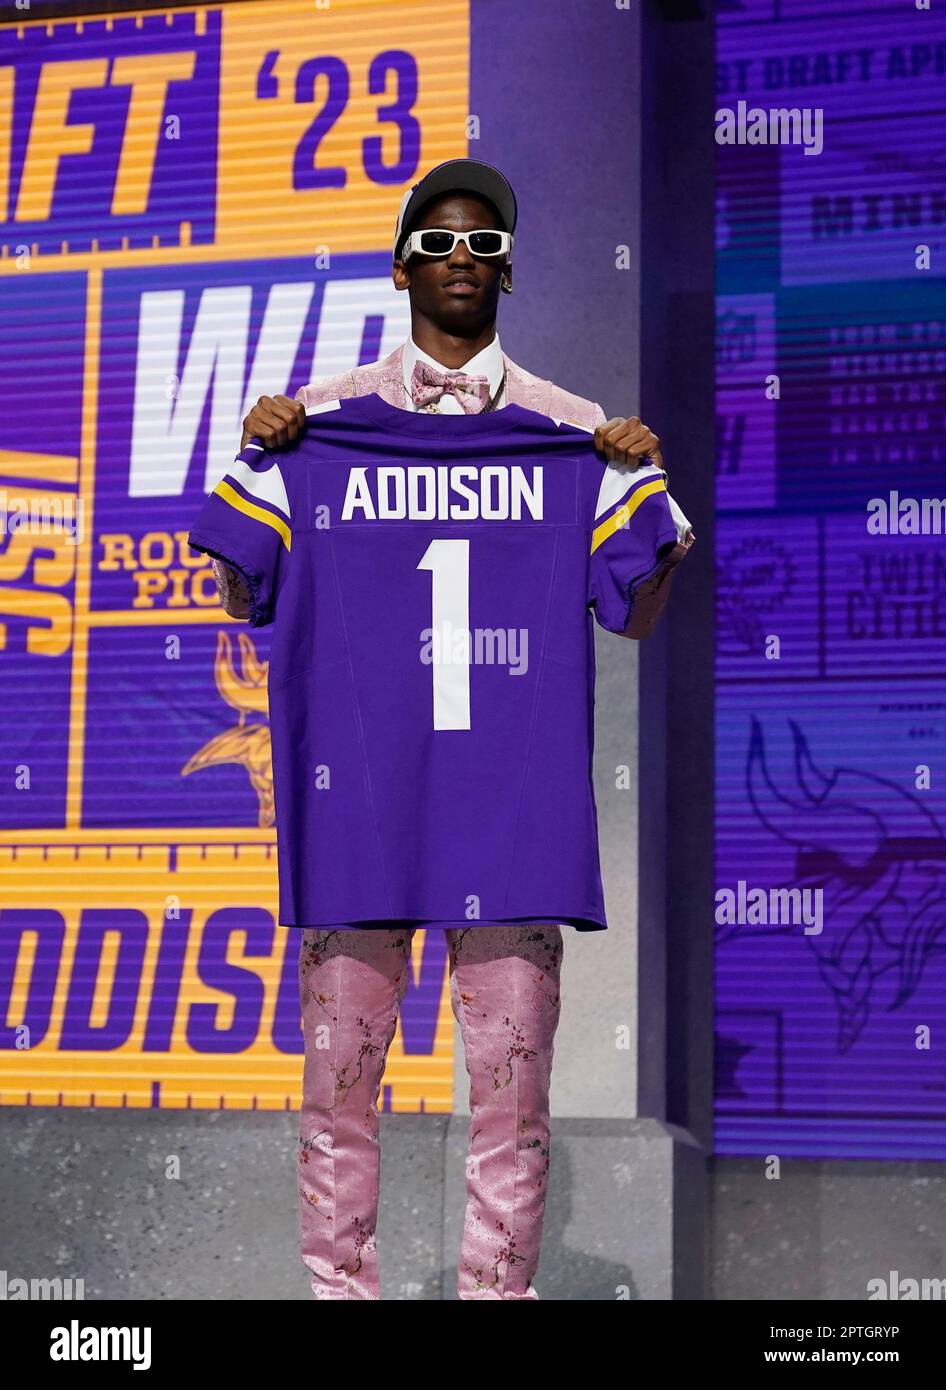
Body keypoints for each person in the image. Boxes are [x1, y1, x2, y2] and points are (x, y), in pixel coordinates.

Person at [206, 159, 695, 1300]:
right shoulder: (311, 426)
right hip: (360, 816)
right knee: (337, 1097)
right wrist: (259, 448)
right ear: (400, 268)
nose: (459, 259)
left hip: (511, 823)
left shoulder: (574, 433)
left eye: (480, 244)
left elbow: (637, 609)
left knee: (513, 1102)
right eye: (436, 243)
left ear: (510, 270)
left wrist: (646, 480)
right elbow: (243, 587)